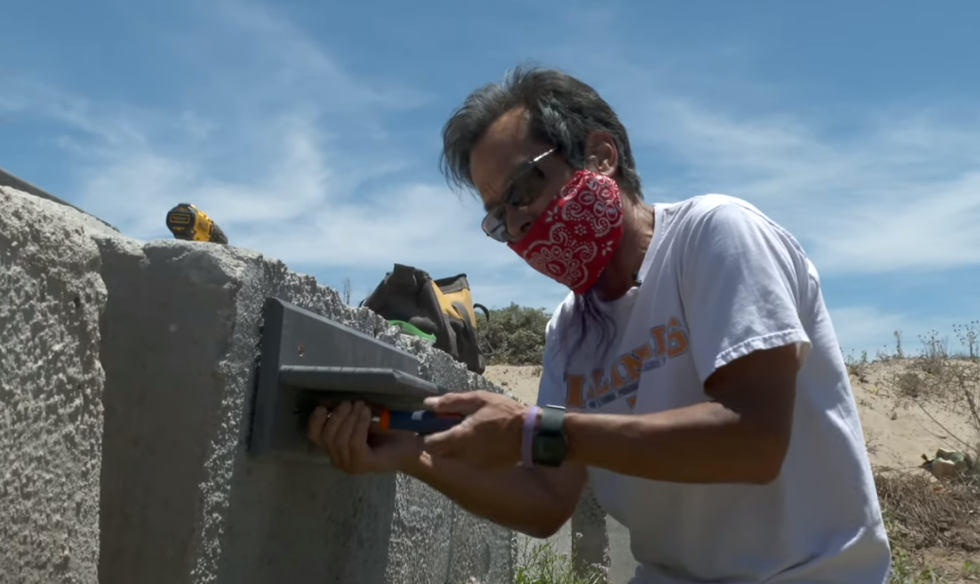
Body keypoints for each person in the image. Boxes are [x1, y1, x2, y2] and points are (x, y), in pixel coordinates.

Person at [307, 65, 892, 583]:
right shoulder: (571, 328)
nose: (520, 223)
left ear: (599, 156)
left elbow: (755, 440)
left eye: (524, 189)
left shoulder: (716, 236)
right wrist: (412, 457)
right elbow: (545, 500)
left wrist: (534, 429)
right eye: (500, 217)